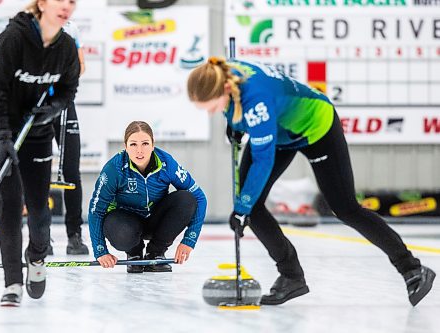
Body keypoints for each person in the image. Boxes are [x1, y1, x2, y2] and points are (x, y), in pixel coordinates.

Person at [187, 57, 436, 306]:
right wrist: (234, 123)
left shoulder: (256, 100)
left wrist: (242, 209)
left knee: (345, 208)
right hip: (281, 129)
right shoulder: (222, 73)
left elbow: (263, 160)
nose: (210, 112)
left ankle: (412, 269)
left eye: (211, 107)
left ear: (227, 89)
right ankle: (291, 277)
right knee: (252, 205)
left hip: (316, 126)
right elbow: (235, 109)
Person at [0, 0, 79, 306]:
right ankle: (12, 284)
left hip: (36, 133)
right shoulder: (14, 38)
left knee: (38, 207)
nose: (67, 7)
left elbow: (68, 89)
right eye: (61, 0)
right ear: (43, 3)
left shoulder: (67, 48)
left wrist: (52, 109)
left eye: (73, 2)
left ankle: (37, 258)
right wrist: (3, 135)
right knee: (12, 201)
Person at [88, 121, 207, 273]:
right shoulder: (114, 169)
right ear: (125, 146)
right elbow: (96, 210)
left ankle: (156, 252)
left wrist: (189, 240)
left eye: (145, 143)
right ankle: (134, 253)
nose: (139, 150)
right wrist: (100, 251)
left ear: (152, 145)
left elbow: (200, 197)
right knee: (116, 225)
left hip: (156, 220)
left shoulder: (167, 163)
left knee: (186, 199)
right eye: (133, 144)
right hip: (126, 224)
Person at [48, 19, 88, 255]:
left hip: (65, 105)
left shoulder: (70, 27)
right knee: (36, 170)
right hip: (37, 104)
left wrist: (67, 71)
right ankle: (40, 236)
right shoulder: (30, 25)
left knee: (71, 170)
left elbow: (82, 65)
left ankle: (74, 236)